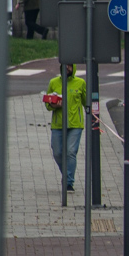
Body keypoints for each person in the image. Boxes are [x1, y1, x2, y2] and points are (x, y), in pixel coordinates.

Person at [44, 63, 88, 192]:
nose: (67, 68)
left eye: (70, 66)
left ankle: (69, 182)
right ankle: (67, 174)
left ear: (73, 68)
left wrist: (94, 118)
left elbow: (87, 103)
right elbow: (47, 104)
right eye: (65, 65)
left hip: (75, 125)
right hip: (58, 124)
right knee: (57, 152)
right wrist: (54, 105)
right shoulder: (53, 82)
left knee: (70, 152)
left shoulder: (80, 83)